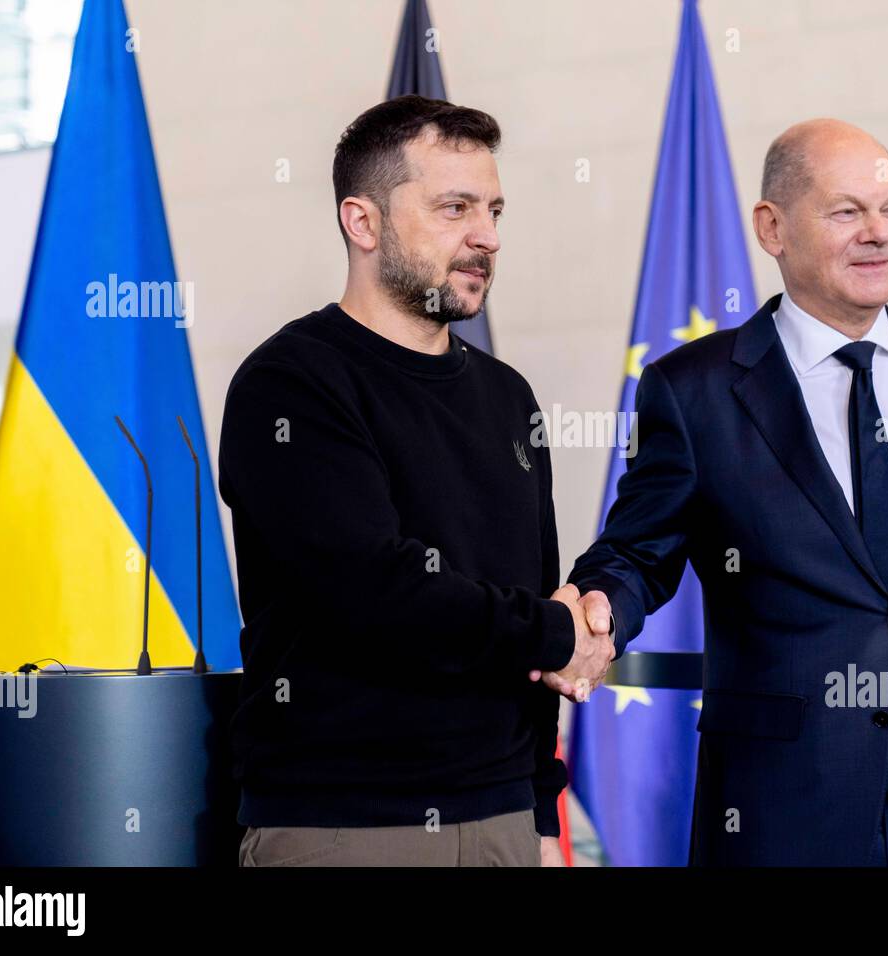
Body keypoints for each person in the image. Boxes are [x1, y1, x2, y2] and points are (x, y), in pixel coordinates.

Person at [563, 118, 888, 865]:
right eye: (847, 212)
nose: (878, 233)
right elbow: (639, 553)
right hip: (781, 808)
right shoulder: (694, 391)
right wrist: (598, 609)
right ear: (772, 228)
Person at [220, 95, 612, 867]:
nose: (486, 238)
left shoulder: (509, 397)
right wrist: (561, 632)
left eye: (494, 209)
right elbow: (378, 595)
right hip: (347, 828)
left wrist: (540, 815)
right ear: (361, 223)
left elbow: (529, 595)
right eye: (454, 208)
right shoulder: (291, 384)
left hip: (503, 821)